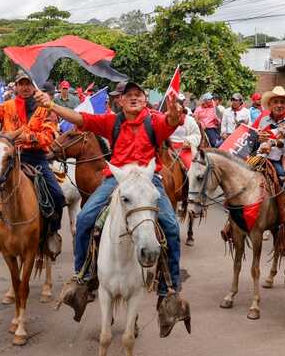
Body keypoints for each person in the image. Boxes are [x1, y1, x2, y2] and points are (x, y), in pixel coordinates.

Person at [39, 82, 182, 312]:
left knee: (172, 226)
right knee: (84, 218)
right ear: (120, 101)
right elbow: (80, 118)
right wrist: (52, 105)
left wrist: (174, 113)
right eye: (129, 95)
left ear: (145, 100)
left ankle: (169, 287)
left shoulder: (154, 121)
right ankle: (82, 275)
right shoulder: (111, 121)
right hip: (117, 178)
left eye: (138, 95)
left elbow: (171, 121)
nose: (133, 98)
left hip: (148, 179)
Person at [0, 71, 65, 257]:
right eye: (21, 84)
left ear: (33, 86)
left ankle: (52, 232)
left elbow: (49, 136)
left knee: (57, 195)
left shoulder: (46, 108)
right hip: (10, 158)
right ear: (15, 87)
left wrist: (28, 137)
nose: (24, 87)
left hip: (36, 158)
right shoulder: (8, 105)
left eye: (27, 84)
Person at [251, 86, 285, 178]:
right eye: (276, 102)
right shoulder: (264, 120)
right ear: (270, 104)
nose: (279, 105)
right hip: (262, 155)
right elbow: (256, 139)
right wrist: (259, 138)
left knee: (283, 176)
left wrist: (271, 143)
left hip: (284, 159)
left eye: (282, 102)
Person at [168, 94, 202, 170]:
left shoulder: (189, 120)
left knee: (192, 167)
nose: (175, 110)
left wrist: (189, 140)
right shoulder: (165, 119)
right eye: (173, 108)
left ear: (182, 108)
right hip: (167, 149)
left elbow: (197, 135)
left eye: (177, 108)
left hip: (184, 149)